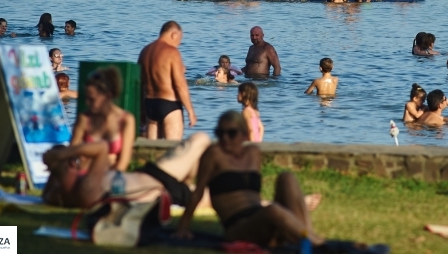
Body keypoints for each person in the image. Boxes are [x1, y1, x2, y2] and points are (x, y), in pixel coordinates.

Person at [176, 111, 324, 246]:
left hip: (260, 218)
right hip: (238, 227)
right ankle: (316, 243)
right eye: (220, 133)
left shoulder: (253, 153)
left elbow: (251, 194)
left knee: (287, 177)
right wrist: (183, 227)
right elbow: (198, 191)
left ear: (244, 134)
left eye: (231, 133)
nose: (225, 138)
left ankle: (309, 236)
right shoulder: (214, 154)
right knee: (272, 210)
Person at [42, 132, 211, 209]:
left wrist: (56, 162)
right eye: (73, 161)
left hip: (151, 174)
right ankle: (189, 183)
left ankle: (188, 181)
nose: (76, 164)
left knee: (200, 140)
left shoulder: (54, 194)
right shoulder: (86, 190)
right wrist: (63, 153)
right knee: (201, 139)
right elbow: (101, 147)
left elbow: (47, 191)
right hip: (163, 189)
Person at [138, 21, 197, 140]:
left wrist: (142, 110)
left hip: (149, 104)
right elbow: (180, 84)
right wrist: (190, 111)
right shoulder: (172, 52)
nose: (178, 44)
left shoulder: (145, 51)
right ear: (174, 34)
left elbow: (140, 83)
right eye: (179, 39)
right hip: (169, 104)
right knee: (172, 149)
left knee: (152, 150)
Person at [70, 68, 136, 172]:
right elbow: (71, 152)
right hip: (84, 175)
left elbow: (123, 162)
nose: (87, 103)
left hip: (112, 177)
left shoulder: (126, 120)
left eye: (92, 99)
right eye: (86, 98)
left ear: (107, 96)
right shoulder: (84, 118)